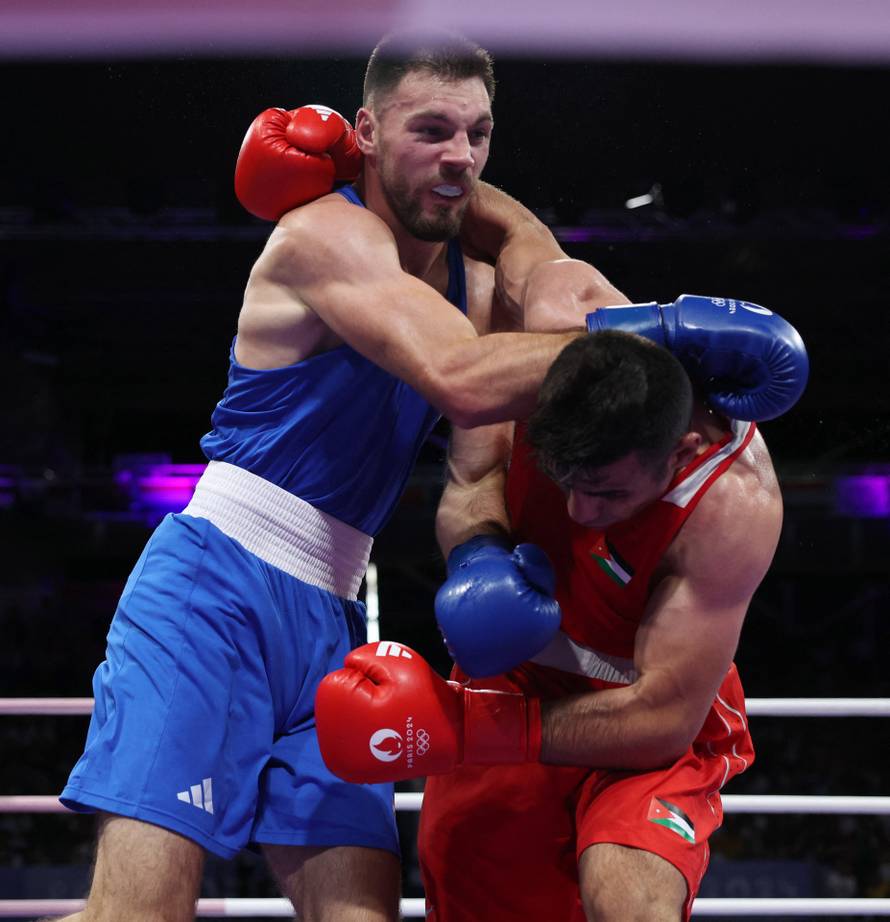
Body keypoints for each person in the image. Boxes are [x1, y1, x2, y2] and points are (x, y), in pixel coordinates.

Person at [54, 31, 623, 922]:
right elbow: (460, 379)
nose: (458, 156)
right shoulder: (325, 235)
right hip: (214, 591)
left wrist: (480, 553)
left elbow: (476, 470)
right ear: (363, 130)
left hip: (334, 621)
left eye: (477, 134)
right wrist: (650, 341)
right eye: (430, 129)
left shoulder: (473, 289)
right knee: (138, 915)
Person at [316, 317, 789, 919]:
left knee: (629, 902)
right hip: (517, 675)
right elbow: (472, 477)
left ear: (681, 451)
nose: (580, 510)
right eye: (565, 479)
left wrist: (463, 727)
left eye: (609, 493)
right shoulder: (537, 337)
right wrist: (479, 555)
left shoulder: (730, 505)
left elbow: (665, 719)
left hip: (647, 706)